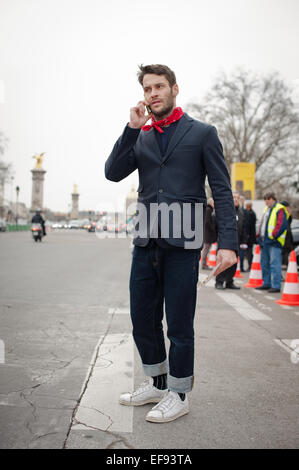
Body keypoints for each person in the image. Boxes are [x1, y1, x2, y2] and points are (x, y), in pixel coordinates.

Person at [105, 64, 238, 423]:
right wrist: (131, 130)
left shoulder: (203, 133)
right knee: (142, 319)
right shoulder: (142, 136)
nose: (153, 93)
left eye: (159, 86)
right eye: (147, 88)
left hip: (184, 241)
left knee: (179, 323)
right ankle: (158, 382)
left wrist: (228, 243)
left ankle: (179, 393)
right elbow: (113, 171)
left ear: (174, 89)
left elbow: (222, 191)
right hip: (146, 240)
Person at [256, 193, 288, 293]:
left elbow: (281, 225)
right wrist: (258, 235)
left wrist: (274, 236)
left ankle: (276, 285)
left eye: (268, 199)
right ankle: (266, 283)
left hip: (274, 242)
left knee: (275, 264)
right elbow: (263, 224)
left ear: (273, 199)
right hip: (265, 241)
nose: (266, 201)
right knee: (264, 264)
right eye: (265, 199)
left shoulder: (279, 209)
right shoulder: (266, 209)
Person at [215, 191, 246, 290]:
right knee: (223, 263)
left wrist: (243, 241)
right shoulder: (226, 211)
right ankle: (219, 281)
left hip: (236, 241)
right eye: (234, 197)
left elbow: (244, 228)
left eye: (237, 197)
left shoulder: (241, 212)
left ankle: (229, 281)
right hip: (225, 241)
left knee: (233, 264)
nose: (236, 199)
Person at [201, 197, 217, 270]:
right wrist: (212, 229)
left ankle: (204, 264)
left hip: (207, 234)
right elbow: (207, 222)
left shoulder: (209, 210)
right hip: (207, 234)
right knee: (206, 249)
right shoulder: (208, 210)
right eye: (213, 203)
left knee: (206, 249)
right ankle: (203, 265)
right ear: (211, 203)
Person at [241, 201, 257, 272]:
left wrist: (246, 236)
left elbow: (248, 226)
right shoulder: (250, 213)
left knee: (248, 253)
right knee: (247, 253)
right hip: (248, 236)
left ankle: (250, 266)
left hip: (249, 237)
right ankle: (245, 266)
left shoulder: (250, 214)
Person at [280, 201, 294, 269]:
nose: (289, 208)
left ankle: (286, 263)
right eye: (287, 207)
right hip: (284, 237)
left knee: (287, 250)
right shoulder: (282, 214)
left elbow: (290, 223)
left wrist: (290, 214)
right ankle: (284, 263)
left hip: (288, 236)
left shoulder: (287, 215)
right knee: (284, 250)